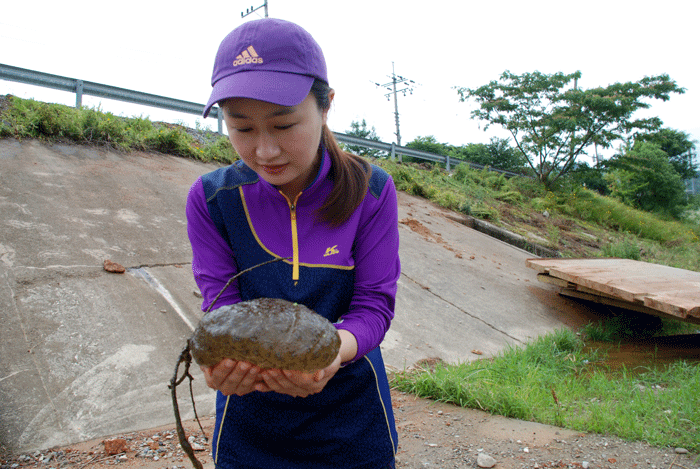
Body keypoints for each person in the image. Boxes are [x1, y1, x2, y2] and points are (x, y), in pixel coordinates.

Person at [185, 18, 401, 469]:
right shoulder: (212, 199)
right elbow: (221, 306)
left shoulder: (372, 190)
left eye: (284, 125)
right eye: (242, 128)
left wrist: (331, 355)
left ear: (326, 107)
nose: (265, 151)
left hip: (351, 413)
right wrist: (222, 365)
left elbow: (374, 307)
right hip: (250, 417)